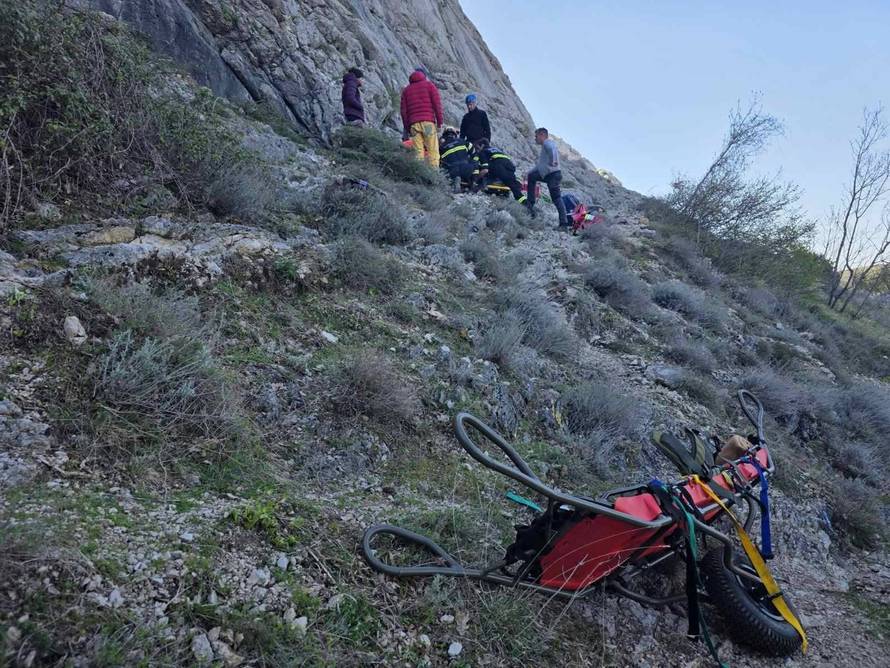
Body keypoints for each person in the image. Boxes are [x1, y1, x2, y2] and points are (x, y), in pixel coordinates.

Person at [400, 68, 443, 167]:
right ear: (424, 75)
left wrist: (407, 127)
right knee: (433, 150)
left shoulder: (406, 90)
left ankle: (419, 173)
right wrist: (440, 122)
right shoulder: (429, 86)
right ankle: (434, 175)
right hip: (428, 123)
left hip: (414, 125)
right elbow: (437, 105)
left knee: (418, 152)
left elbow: (403, 112)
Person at [526, 127, 567, 227]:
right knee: (531, 176)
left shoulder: (547, 143)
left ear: (542, 135)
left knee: (556, 198)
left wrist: (553, 160)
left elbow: (552, 149)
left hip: (552, 175)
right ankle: (530, 205)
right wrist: (527, 173)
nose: (535, 138)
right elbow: (539, 167)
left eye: (536, 136)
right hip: (551, 175)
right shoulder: (545, 147)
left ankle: (563, 224)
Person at [474, 138, 526, 203]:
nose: (477, 150)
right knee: (514, 188)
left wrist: (476, 179)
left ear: (481, 145)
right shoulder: (497, 150)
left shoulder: (483, 152)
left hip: (499, 169)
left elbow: (485, 170)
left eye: (477, 148)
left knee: (483, 172)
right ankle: (526, 203)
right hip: (510, 168)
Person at [439, 127, 477, 193]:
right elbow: (474, 152)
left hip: (452, 171)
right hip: (466, 169)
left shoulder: (441, 147)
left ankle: (456, 179)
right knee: (475, 162)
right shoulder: (463, 141)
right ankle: (473, 182)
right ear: (455, 134)